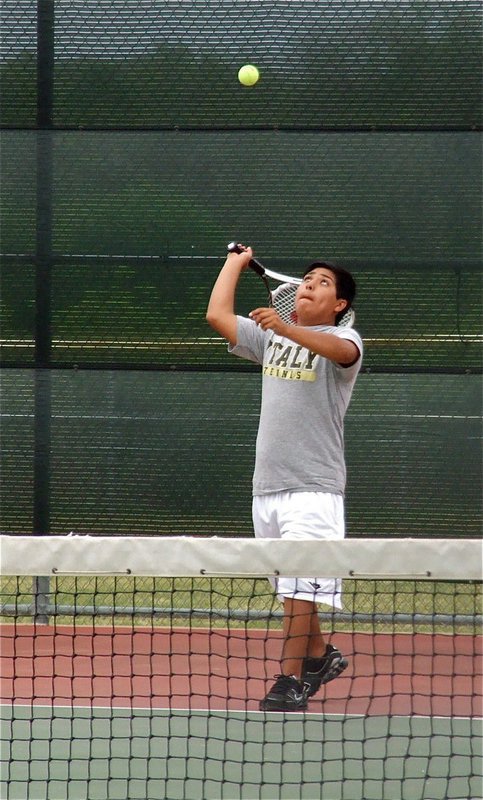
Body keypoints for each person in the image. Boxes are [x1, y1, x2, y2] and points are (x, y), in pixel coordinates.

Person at [206, 244, 363, 712]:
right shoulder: (272, 338)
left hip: (314, 489)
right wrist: (233, 263)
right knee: (293, 592)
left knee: (298, 591)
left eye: (323, 282)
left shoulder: (347, 341)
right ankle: (319, 655)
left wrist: (289, 328)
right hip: (267, 489)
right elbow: (217, 314)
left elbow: (338, 349)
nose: (310, 284)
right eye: (307, 279)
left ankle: (291, 680)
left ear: (339, 306)